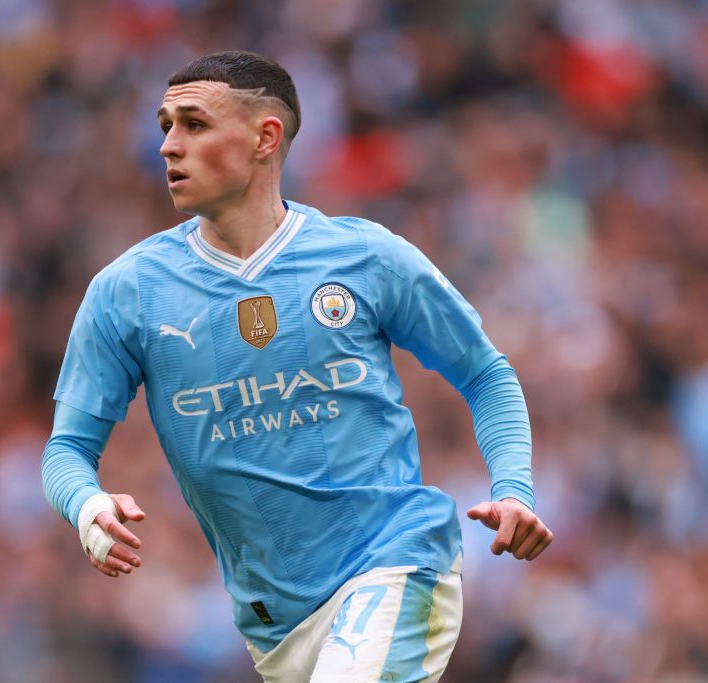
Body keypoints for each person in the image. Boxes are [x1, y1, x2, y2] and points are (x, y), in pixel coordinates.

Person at [42, 50, 553, 683]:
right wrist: (86, 505)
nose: (169, 146)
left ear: (266, 137)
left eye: (194, 125)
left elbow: (485, 373)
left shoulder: (364, 257)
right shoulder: (128, 292)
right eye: (165, 126)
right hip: (276, 625)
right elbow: (65, 451)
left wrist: (514, 488)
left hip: (394, 565)